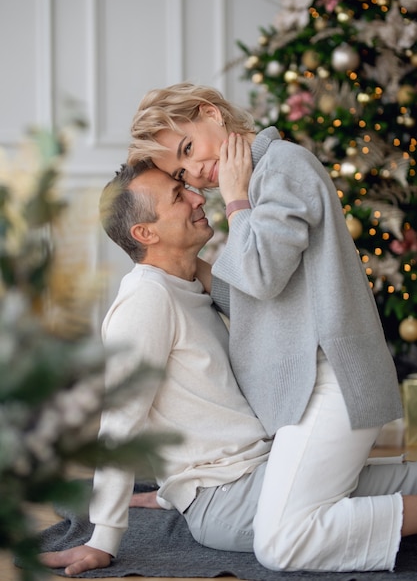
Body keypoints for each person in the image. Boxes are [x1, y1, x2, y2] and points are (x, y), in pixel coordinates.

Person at [41, 161, 417, 576]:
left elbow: (204, 402)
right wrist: (104, 537)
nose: (199, 197)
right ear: (145, 233)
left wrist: (169, 489)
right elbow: (119, 421)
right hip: (231, 498)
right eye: (178, 197)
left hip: (265, 469)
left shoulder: (190, 284)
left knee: (408, 481)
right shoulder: (145, 299)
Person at [125, 82, 414, 572]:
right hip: (307, 386)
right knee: (320, 500)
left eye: (188, 148)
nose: (195, 172)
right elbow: (256, 301)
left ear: (211, 113)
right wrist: (189, 268)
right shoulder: (261, 178)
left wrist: (237, 201)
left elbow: (260, 273)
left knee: (280, 543)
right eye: (180, 170)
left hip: (332, 380)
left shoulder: (282, 166)